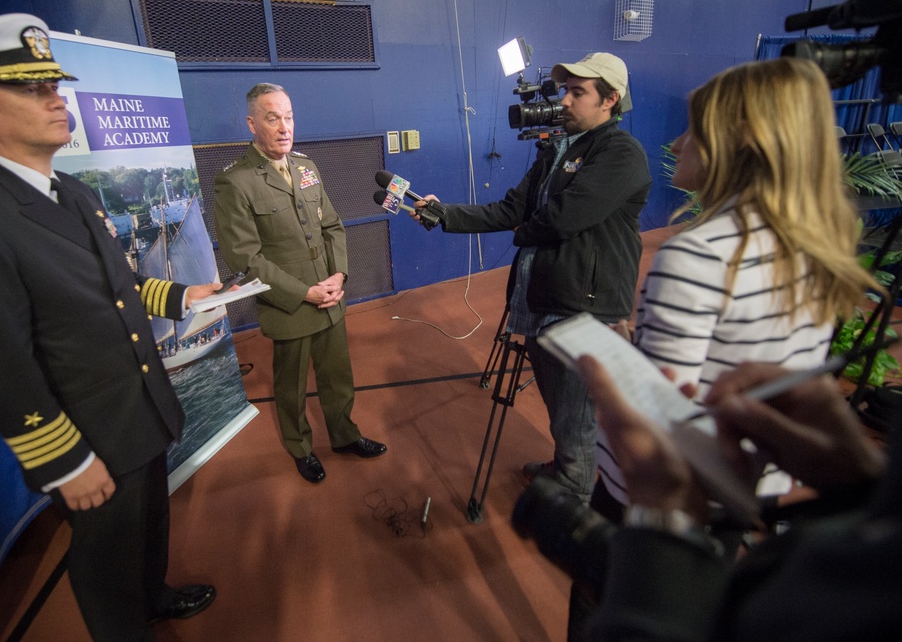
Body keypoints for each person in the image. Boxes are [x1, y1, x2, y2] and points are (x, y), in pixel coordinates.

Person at [0, 14, 217, 641]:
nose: (57, 98)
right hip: (87, 433)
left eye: (55, 85)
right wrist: (65, 460)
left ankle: (152, 598)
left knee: (149, 528)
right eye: (32, 89)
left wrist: (183, 293)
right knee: (105, 560)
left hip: (140, 408)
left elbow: (113, 287)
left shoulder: (70, 191)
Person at [594, 57, 881, 518]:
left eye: (693, 130)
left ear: (739, 139)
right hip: (750, 481)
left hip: (660, 498)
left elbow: (665, 411)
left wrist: (619, 354)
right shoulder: (816, 241)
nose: (677, 143)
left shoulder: (699, 255)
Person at [415, 52, 651, 502]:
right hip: (547, 301)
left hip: (587, 309)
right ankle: (565, 467)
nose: (564, 100)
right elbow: (509, 208)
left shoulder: (621, 152)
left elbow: (564, 218)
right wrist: (443, 214)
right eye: (565, 90)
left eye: (577, 92)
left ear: (610, 99)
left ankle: (574, 503)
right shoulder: (556, 151)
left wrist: (522, 234)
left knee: (575, 413)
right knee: (559, 404)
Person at [577, 355, 900, 641]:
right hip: (744, 487)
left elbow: (667, 372)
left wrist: (663, 523)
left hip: (689, 489)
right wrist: (861, 486)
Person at [213, 82, 386, 483]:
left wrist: (339, 275)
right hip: (289, 303)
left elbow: (333, 226)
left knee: (337, 375)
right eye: (273, 118)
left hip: (330, 295)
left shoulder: (306, 168)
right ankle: (300, 447)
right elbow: (245, 257)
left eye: (288, 117)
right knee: (290, 387)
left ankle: (344, 435)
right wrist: (304, 292)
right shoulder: (236, 182)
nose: (284, 127)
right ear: (252, 123)